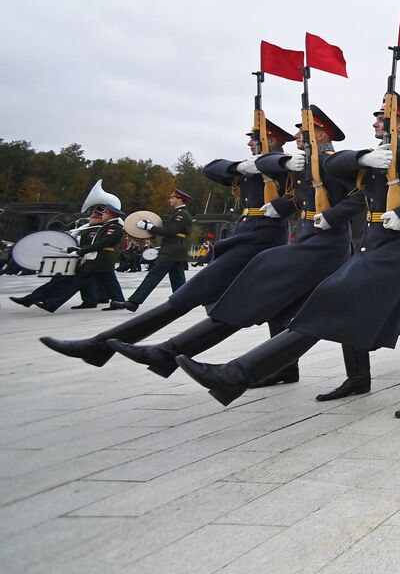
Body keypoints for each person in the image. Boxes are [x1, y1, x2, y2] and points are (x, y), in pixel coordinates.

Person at [176, 93, 400, 417]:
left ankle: (236, 375)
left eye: (382, 119)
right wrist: (364, 159)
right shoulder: (380, 156)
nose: (375, 123)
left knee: (328, 301)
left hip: (396, 253)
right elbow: (331, 164)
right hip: (377, 247)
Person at [106, 108, 360, 389]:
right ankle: (322, 373)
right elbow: (298, 194)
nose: (297, 134)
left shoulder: (329, 162)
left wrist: (357, 170)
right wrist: (282, 203)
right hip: (308, 241)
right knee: (310, 310)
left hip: (325, 246)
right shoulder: (299, 164)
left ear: (321, 134)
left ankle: (175, 353)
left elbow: (360, 190)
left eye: (303, 130)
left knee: (261, 290)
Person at [38, 122, 296, 364]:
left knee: (190, 293)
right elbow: (211, 168)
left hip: (261, 237)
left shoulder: (282, 165)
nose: (250, 144)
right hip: (247, 234)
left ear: (269, 139)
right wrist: (240, 168)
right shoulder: (250, 167)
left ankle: (101, 346)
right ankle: (282, 366)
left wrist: (273, 167)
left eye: (254, 139)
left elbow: (281, 168)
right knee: (271, 302)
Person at [13, 205, 127, 313]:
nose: (103, 215)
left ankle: (50, 303)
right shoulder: (107, 226)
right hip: (100, 260)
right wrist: (72, 249)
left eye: (105, 213)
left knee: (73, 282)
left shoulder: (114, 228)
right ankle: (119, 301)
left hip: (99, 260)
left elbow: (101, 244)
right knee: (110, 282)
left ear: (111, 215)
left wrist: (78, 252)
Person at [120, 189, 195, 309]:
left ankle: (134, 302)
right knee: (177, 277)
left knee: (154, 275)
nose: (170, 200)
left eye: (172, 198)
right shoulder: (178, 213)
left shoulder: (181, 214)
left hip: (172, 249)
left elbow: (169, 231)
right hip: (175, 248)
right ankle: (183, 301)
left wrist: (149, 227)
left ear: (179, 199)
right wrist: (150, 226)